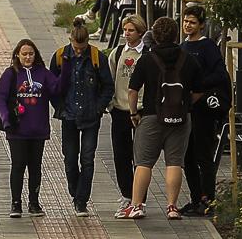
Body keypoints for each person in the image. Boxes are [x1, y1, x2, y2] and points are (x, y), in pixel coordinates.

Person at [121, 16, 203, 220]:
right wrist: (185, 103)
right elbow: (199, 90)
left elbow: (132, 90)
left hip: (151, 117)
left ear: (154, 36)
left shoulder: (147, 59)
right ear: (176, 35)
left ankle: (137, 205)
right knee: (175, 162)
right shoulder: (188, 58)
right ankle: (172, 207)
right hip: (181, 118)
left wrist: (133, 113)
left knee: (143, 163)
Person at [47, 20, 113, 217]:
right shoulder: (60, 56)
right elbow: (52, 84)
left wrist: (99, 107)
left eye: (82, 47)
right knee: (69, 159)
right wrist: (58, 106)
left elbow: (107, 85)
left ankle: (81, 201)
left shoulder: (96, 57)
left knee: (88, 158)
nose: (78, 51)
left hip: (90, 116)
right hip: (68, 115)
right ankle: (75, 192)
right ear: (70, 40)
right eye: (76, 47)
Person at [178, 5, 231, 217]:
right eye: (185, 21)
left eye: (192, 22)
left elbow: (220, 75)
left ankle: (208, 199)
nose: (187, 25)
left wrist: (199, 89)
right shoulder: (182, 46)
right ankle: (195, 197)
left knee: (203, 155)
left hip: (204, 112)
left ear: (201, 25)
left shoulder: (207, 46)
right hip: (187, 110)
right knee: (187, 156)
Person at [0, 39, 57, 217]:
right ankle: (16, 203)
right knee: (18, 165)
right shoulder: (10, 74)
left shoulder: (43, 73)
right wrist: (6, 118)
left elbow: (56, 88)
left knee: (35, 166)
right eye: (24, 54)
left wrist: (65, 67)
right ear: (17, 55)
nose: (28, 57)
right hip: (17, 130)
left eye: (31, 54)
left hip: (38, 129)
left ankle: (34, 202)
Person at [107, 15, 144, 198]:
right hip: (120, 109)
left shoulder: (146, 53)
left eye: (131, 30)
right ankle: (126, 195)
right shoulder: (118, 52)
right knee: (121, 155)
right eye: (125, 30)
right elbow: (110, 78)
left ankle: (139, 196)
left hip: (141, 110)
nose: (127, 34)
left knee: (140, 156)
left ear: (140, 32)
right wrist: (111, 104)